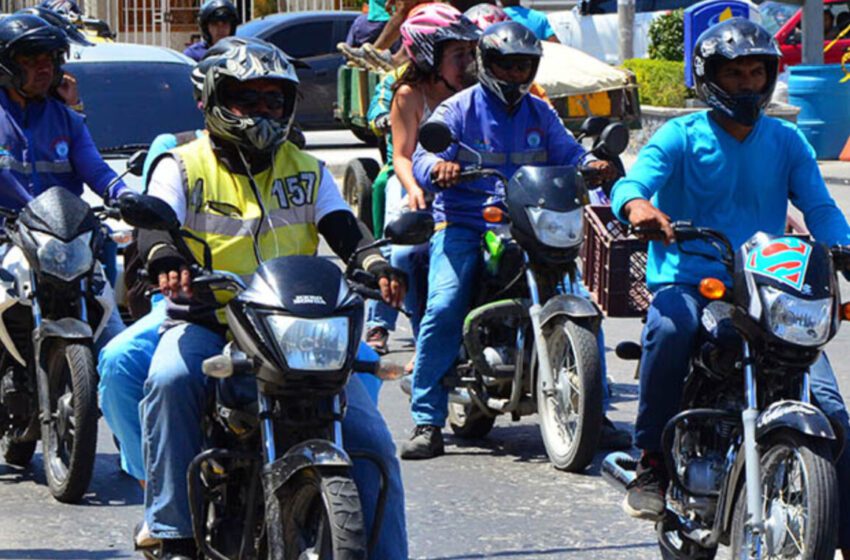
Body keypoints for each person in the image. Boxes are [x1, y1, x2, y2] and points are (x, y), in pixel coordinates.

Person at [122, 37, 407, 559]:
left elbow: (344, 228)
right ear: (213, 98)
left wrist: (375, 263)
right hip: (211, 320)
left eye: (273, 101)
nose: (262, 112)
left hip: (296, 327)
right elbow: (154, 225)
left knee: (372, 442)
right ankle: (173, 532)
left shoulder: (306, 167)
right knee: (168, 380)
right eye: (247, 100)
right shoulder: (181, 165)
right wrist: (165, 258)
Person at [612, 18, 850, 557]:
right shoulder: (680, 135)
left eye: (755, 73)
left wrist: (845, 247)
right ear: (709, 78)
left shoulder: (787, 141)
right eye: (734, 73)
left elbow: (820, 209)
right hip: (694, 281)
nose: (746, 84)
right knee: (669, 329)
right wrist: (640, 207)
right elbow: (632, 182)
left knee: (832, 408)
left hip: (767, 285)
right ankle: (649, 463)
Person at [405, 21, 616, 459]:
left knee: (582, 301)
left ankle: (598, 411)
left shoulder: (540, 113)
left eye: (524, 67)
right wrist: (436, 170)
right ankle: (427, 419)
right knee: (445, 301)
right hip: (466, 222)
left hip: (531, 222)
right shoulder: (458, 110)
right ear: (486, 65)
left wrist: (593, 164)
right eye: (507, 66)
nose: (515, 76)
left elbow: (570, 153)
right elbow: (424, 154)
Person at [0, 13, 125, 346]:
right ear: (7, 65)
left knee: (114, 338)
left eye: (50, 59)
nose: (44, 68)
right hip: (6, 237)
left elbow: (97, 171)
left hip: (62, 239)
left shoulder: (68, 120)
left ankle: (110, 392)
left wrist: (124, 195)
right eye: (31, 59)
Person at [365, 3, 479, 367]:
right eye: (458, 54)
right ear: (429, 55)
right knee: (404, 255)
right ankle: (424, 341)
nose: (468, 63)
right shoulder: (407, 95)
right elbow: (402, 155)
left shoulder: (478, 89)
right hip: (419, 186)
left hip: (472, 187)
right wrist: (415, 189)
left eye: (470, 53)